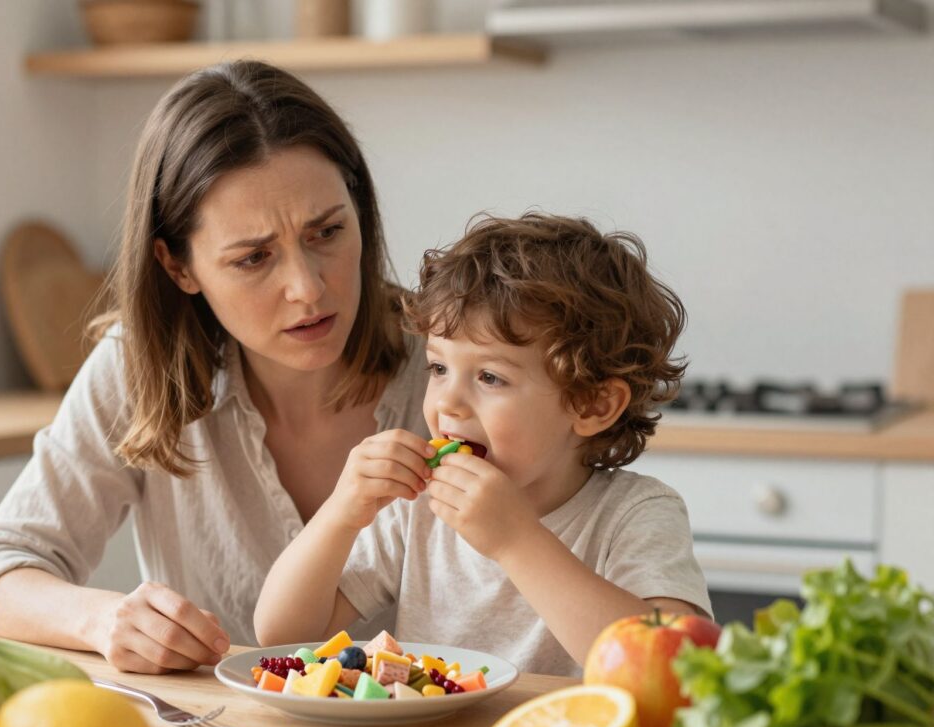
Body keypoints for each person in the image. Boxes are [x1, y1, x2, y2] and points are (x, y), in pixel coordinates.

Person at [0, 61, 430, 673]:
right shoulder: (137, 366)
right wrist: (102, 619)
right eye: (254, 258)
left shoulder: (450, 363)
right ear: (178, 266)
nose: (308, 288)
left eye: (327, 232)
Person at [255, 212, 712, 673]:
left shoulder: (636, 514)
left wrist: (516, 541)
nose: (447, 403)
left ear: (593, 404)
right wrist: (340, 514)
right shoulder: (417, 507)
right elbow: (281, 635)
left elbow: (676, 667)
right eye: (438, 368)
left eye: (490, 377)